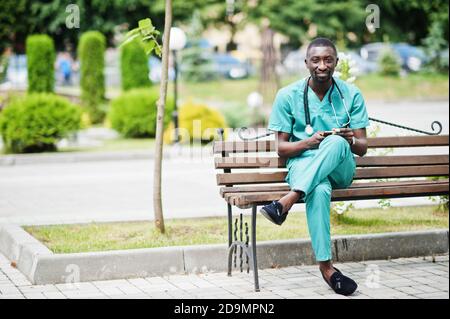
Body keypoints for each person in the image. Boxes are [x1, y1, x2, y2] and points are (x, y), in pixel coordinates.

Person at [260, 37, 370, 296]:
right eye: (316, 60)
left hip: (340, 168)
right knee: (319, 190)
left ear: (336, 62)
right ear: (306, 63)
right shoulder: (287, 95)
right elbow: (281, 148)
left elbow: (363, 146)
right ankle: (327, 268)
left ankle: (287, 201)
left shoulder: (350, 95)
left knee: (335, 142)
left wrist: (348, 139)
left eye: (328, 60)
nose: (322, 65)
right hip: (304, 165)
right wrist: (308, 143)